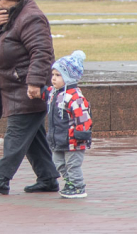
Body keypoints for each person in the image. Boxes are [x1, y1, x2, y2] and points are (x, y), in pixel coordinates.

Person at [0, 0, 60, 195]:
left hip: (27, 89)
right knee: (33, 137)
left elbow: (42, 52)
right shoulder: (11, 13)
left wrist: (34, 83)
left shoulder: (30, 18)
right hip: (15, 87)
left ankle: (1, 177)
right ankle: (48, 178)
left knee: (17, 133)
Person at [46, 50, 93, 199]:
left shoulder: (75, 96)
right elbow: (46, 94)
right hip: (58, 138)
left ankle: (78, 186)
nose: (53, 78)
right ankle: (69, 183)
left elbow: (83, 118)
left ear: (68, 77)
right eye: (53, 74)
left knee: (72, 165)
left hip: (74, 139)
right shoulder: (55, 93)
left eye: (58, 75)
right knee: (59, 163)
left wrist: (81, 134)